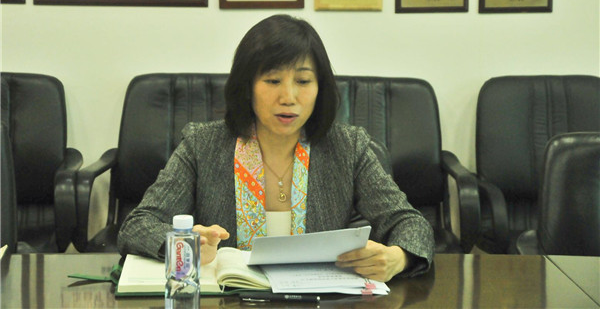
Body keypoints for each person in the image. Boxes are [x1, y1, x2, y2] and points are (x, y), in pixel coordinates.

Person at [118, 14, 434, 281]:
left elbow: (410, 223)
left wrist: (399, 257)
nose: (288, 97)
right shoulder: (203, 144)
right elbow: (138, 225)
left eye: (303, 81)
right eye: (272, 81)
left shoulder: (348, 147)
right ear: (247, 87)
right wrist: (184, 244)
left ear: (320, 88)